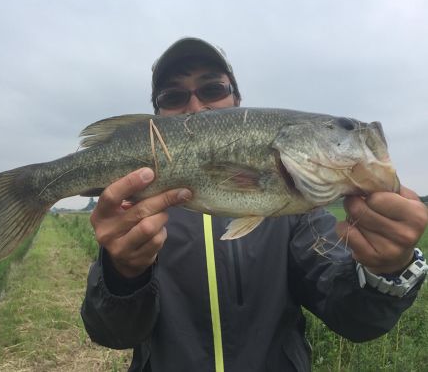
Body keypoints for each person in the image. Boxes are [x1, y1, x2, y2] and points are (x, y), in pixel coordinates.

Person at [81, 37, 428, 371]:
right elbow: (113, 334)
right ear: (155, 117)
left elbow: (353, 317)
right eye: (173, 96)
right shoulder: (137, 213)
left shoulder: (296, 211)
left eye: (212, 90)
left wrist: (388, 269)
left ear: (237, 100)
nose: (196, 107)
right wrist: (122, 273)